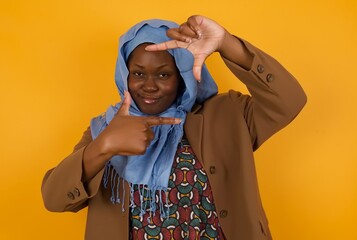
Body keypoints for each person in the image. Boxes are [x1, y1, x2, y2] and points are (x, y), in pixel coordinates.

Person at [41, 15, 306, 240]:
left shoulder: (228, 115)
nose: (149, 86)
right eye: (138, 73)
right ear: (125, 75)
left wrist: (226, 42)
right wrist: (105, 146)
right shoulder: (106, 129)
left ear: (182, 75)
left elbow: (289, 100)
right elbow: (54, 200)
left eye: (163, 74)